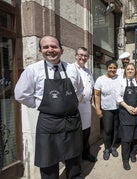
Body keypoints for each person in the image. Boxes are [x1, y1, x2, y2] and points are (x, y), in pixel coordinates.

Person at [14, 35, 84, 179]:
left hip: (72, 121)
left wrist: (69, 104)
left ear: (61, 50)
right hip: (48, 123)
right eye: (46, 47)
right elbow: (20, 94)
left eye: (54, 46)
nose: (50, 50)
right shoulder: (32, 70)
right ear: (40, 50)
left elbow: (80, 90)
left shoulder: (72, 69)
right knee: (48, 164)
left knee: (74, 160)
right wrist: (41, 105)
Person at [116, 63, 137, 170]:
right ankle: (125, 159)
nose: (130, 71)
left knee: (136, 136)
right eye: (128, 69)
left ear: (135, 71)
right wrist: (127, 107)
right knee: (126, 138)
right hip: (126, 113)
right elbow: (118, 97)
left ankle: (133, 154)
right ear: (125, 71)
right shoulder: (121, 82)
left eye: (132, 69)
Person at [74, 47, 97, 163]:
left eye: (85, 56)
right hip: (76, 106)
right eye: (80, 55)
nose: (83, 57)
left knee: (86, 131)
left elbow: (91, 86)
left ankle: (86, 153)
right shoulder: (71, 69)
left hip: (87, 105)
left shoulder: (88, 71)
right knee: (76, 133)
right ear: (76, 55)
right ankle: (76, 157)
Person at [94, 60, 120, 160]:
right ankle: (107, 148)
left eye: (114, 68)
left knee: (116, 129)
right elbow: (96, 94)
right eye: (110, 67)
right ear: (107, 68)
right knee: (107, 129)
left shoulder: (120, 78)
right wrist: (97, 108)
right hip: (106, 108)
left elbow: (131, 75)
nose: (112, 69)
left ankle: (113, 147)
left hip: (118, 108)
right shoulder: (100, 80)